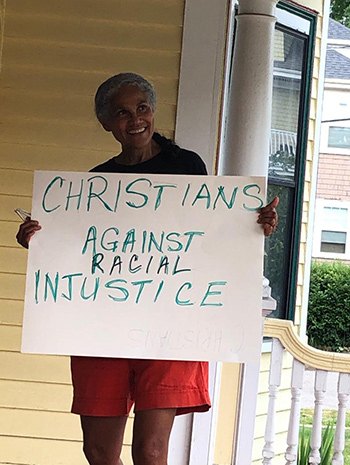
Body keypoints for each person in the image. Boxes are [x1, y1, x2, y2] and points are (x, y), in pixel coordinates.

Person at [16, 73, 279, 465]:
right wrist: (39, 240)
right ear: (106, 122)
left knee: (151, 452)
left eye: (142, 107)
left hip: (171, 325)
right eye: (122, 112)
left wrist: (252, 225)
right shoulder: (95, 184)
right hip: (102, 329)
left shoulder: (187, 167)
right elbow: (75, 251)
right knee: (99, 451)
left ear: (153, 112)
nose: (135, 118)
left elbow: (210, 236)